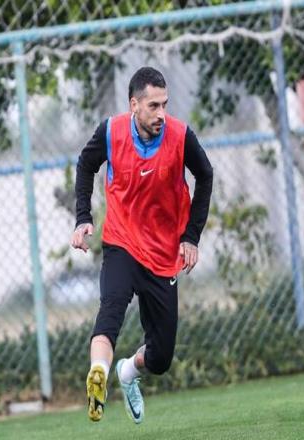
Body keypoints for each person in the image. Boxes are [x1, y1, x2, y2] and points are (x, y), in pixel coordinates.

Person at [70, 66, 213, 424]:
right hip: (121, 242)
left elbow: (206, 175)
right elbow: (85, 166)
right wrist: (83, 216)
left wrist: (191, 237)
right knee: (110, 311)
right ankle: (98, 373)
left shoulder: (180, 136)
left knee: (161, 358)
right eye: (153, 106)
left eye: (164, 105)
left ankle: (127, 371)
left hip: (163, 254)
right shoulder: (111, 132)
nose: (161, 114)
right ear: (134, 105)